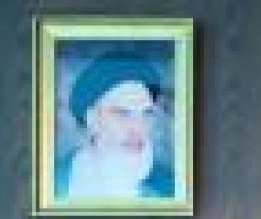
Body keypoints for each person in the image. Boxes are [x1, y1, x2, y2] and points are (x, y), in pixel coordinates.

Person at [56, 51, 175, 200]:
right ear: (91, 119)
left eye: (146, 113)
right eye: (122, 113)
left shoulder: (170, 188)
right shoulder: (53, 182)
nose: (138, 128)